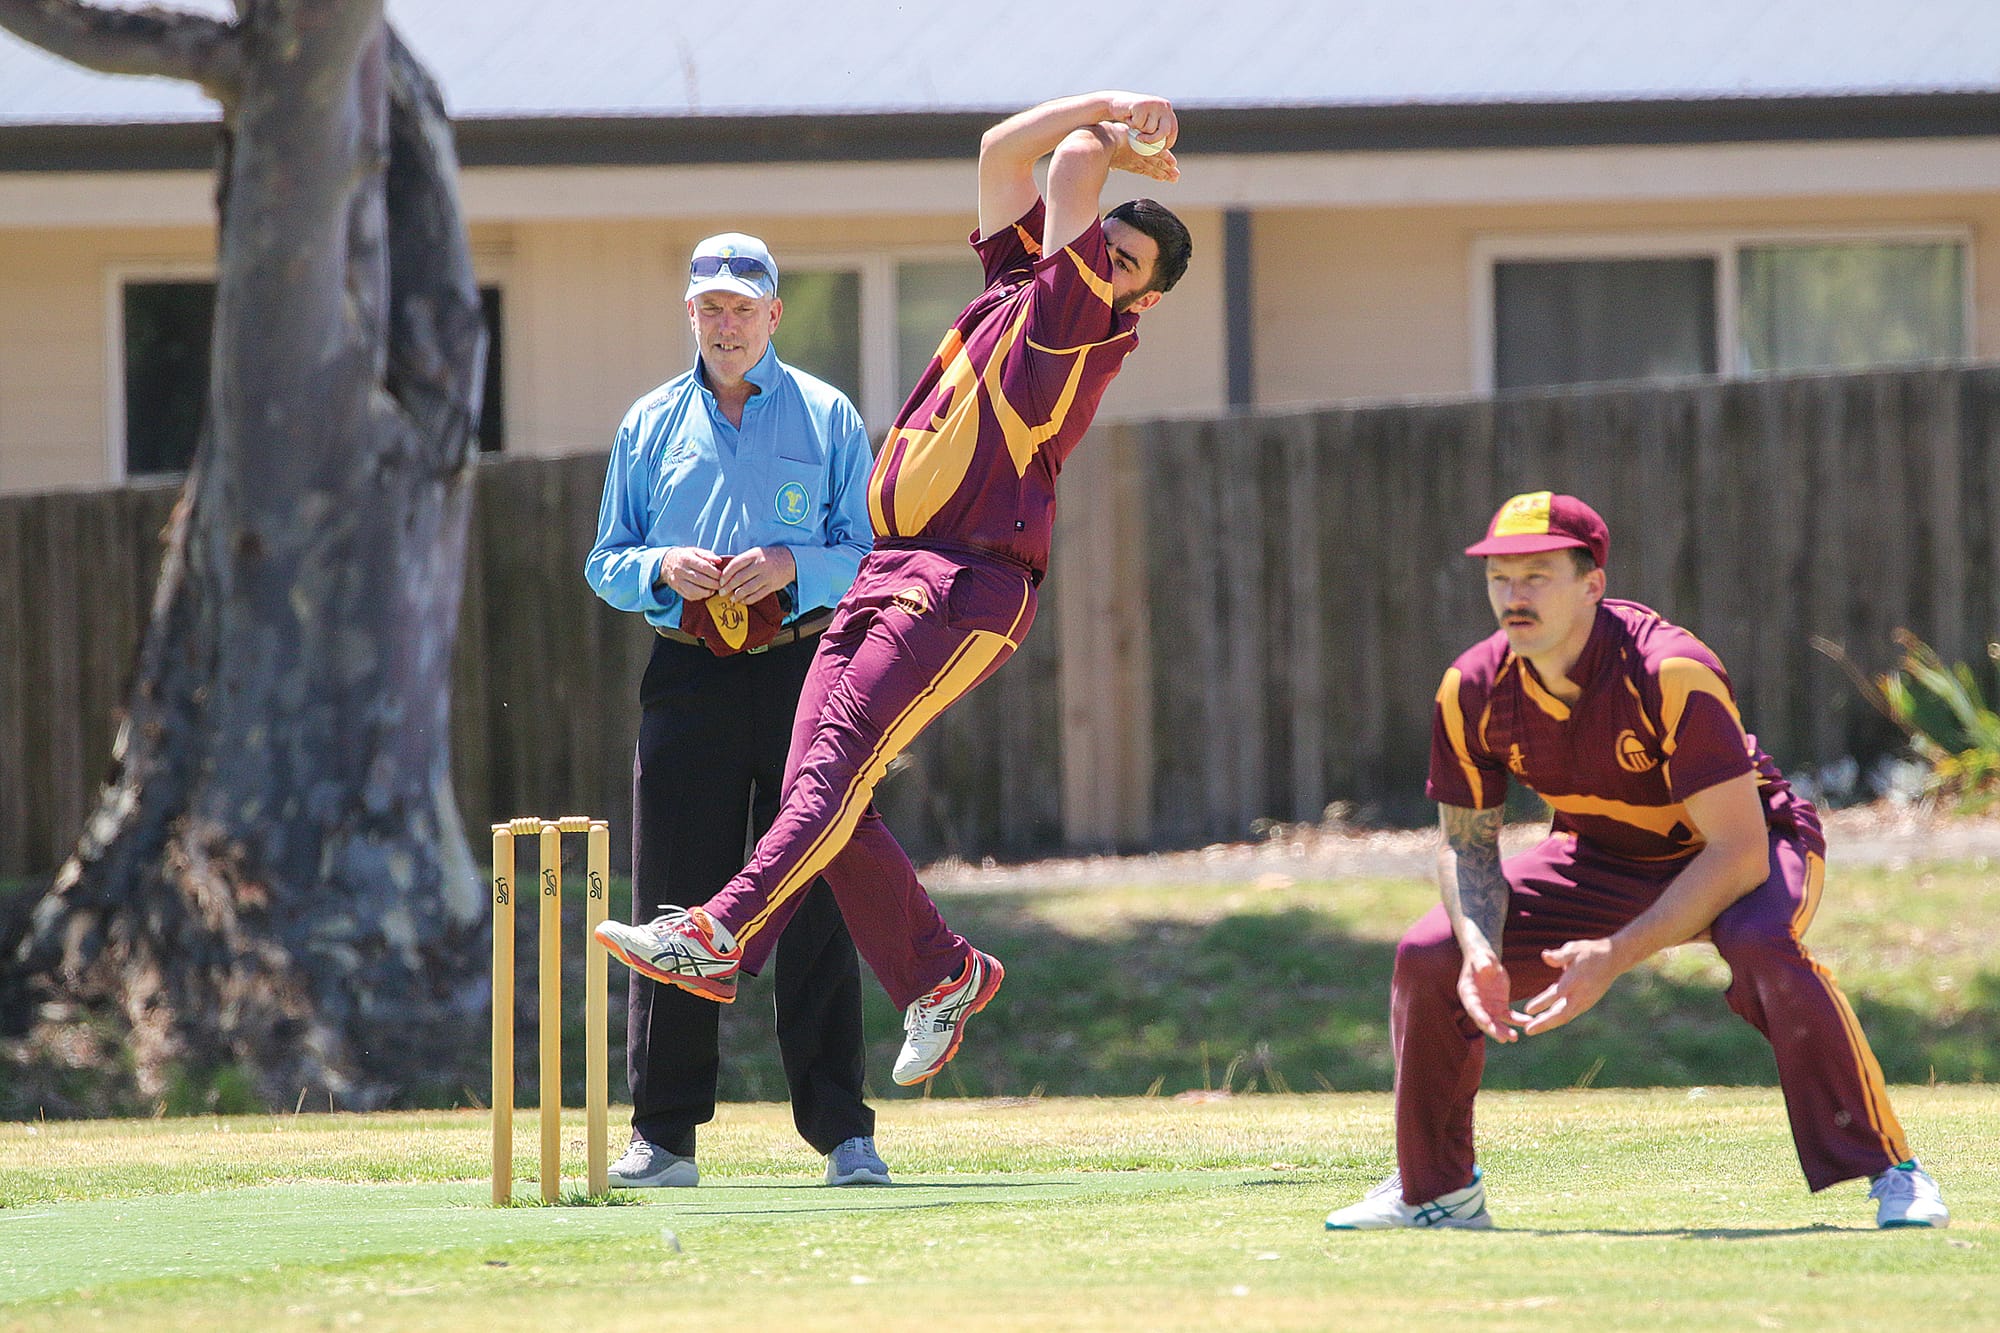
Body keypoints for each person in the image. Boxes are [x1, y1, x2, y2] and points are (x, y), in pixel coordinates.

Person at [597, 92, 1194, 1086]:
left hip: (963, 580)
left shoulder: (1076, 320)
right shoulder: (1023, 283)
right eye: (1105, 245)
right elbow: (1002, 153)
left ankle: (717, 934)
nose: (1104, 257)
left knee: (830, 772)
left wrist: (1116, 128)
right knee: (818, 792)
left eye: (1124, 261)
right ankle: (941, 972)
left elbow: (1068, 168)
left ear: (1140, 298)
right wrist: (1109, 127)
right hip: (890, 567)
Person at [1323, 491, 1950, 1231]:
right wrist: (1479, 948)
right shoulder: (1472, 687)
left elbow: (1739, 852)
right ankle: (1436, 1193)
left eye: (1537, 576)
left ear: (1593, 583)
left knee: (1759, 942)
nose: (1514, 596)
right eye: (1499, 577)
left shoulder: (1669, 669)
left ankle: (1893, 1171)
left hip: (1749, 845)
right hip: (1601, 854)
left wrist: (1616, 954)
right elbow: (1467, 844)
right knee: (1431, 953)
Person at [585, 232, 889, 1189]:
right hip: (687, 674)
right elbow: (606, 560)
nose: (726, 324)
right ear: (690, 313)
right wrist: (660, 566)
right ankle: (664, 1138)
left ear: (774, 315)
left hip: (807, 670)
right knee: (672, 900)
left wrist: (796, 562)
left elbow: (873, 555)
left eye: (742, 308)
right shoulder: (648, 424)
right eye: (710, 307)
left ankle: (844, 1135)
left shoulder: (828, 415)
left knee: (817, 894)